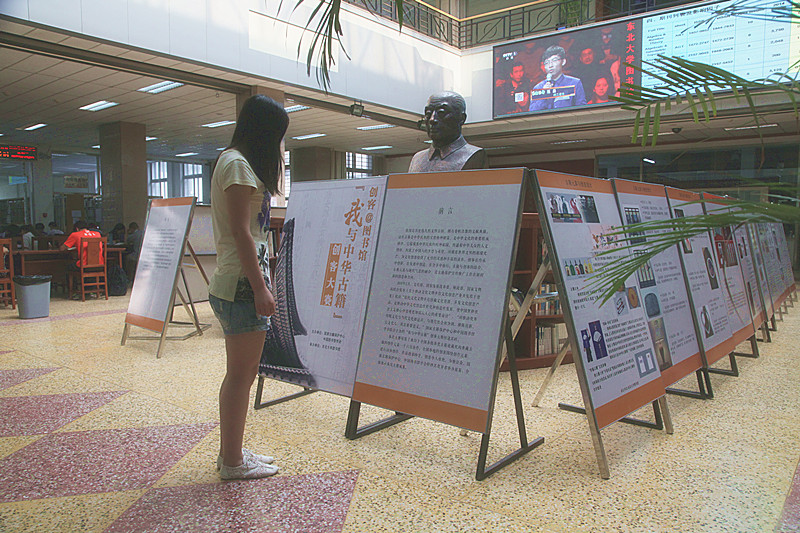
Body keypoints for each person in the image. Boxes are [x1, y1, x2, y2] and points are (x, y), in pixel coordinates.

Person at [208, 94, 287, 480]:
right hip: (241, 285)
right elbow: (241, 232)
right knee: (242, 375)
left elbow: (249, 231)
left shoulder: (235, 162)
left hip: (239, 280)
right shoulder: (237, 164)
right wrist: (259, 288)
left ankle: (232, 452)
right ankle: (233, 463)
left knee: (242, 372)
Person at [408, 91, 487, 173]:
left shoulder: (474, 155)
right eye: (428, 113)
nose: (432, 119)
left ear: (461, 118)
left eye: (441, 113)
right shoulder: (417, 159)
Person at [528, 45, 587, 111]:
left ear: (563, 62)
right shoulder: (538, 88)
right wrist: (543, 94)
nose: (550, 65)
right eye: (547, 63)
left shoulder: (575, 83)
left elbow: (582, 109)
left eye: (554, 60)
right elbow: (533, 111)